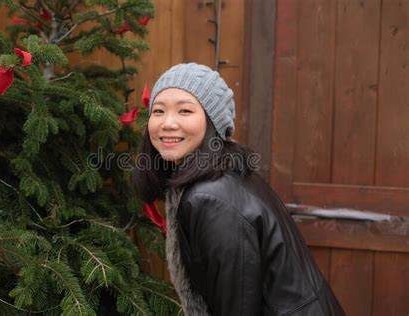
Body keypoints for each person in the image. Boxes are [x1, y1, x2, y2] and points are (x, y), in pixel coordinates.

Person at [132, 63, 345, 315]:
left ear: (213, 122)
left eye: (185, 111)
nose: (167, 123)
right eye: (158, 111)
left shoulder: (212, 198)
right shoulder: (222, 175)